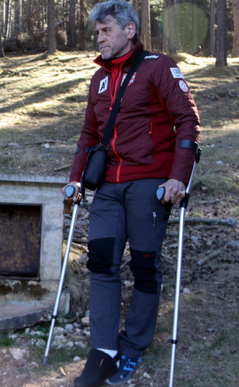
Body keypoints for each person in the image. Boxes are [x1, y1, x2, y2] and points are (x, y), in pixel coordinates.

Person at [63, 1, 200, 385]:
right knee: (101, 263)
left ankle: (133, 346)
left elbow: (187, 120)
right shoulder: (99, 79)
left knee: (143, 266)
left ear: (129, 30)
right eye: (97, 32)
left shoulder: (158, 66)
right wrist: (76, 179)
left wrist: (178, 178)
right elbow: (89, 135)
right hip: (107, 187)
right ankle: (103, 352)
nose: (99, 39)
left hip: (149, 185)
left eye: (105, 31)